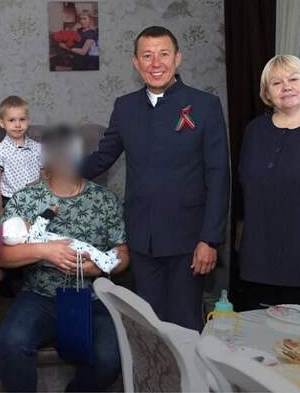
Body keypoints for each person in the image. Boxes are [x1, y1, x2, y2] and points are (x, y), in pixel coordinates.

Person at [82, 26, 230, 331]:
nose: (156, 63)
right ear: (136, 62)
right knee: (147, 327)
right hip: (142, 240)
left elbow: (218, 176)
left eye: (164, 54)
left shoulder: (205, 105)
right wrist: (60, 168)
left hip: (189, 240)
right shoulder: (125, 107)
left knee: (185, 324)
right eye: (147, 56)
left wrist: (210, 239)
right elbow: (102, 157)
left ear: (177, 58)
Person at [0, 125, 129, 393]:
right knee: (12, 344)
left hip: (92, 297)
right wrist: (45, 251)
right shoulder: (26, 198)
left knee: (110, 359)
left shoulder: (105, 200)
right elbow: (2, 256)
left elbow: (123, 253)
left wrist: (97, 268)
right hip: (39, 295)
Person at [239, 55, 300, 309]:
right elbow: (244, 195)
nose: (286, 86)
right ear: (267, 93)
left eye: (293, 79)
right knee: (254, 334)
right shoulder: (254, 131)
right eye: (276, 83)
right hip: (256, 266)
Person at [0, 95, 43, 215]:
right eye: (12, 120)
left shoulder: (37, 148)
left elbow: (45, 175)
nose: (17, 125)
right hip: (11, 199)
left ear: (28, 121)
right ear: (2, 123)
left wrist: (37, 182)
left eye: (22, 119)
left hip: (36, 197)